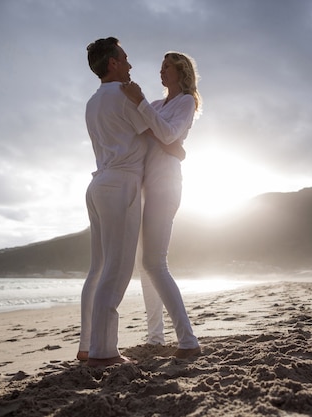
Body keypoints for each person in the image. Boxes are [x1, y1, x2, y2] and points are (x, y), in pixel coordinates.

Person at [120, 52, 202, 359]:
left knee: (156, 263)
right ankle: (155, 337)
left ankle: (188, 340)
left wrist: (166, 140)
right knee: (146, 266)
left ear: (180, 71)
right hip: (143, 186)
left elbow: (167, 133)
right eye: (160, 66)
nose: (160, 71)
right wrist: (167, 141)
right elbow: (142, 136)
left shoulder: (186, 102)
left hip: (166, 186)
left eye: (166, 66)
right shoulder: (156, 106)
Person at [77, 37, 150, 367]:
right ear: (112, 64)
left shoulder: (92, 102)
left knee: (97, 269)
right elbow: (153, 133)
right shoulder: (123, 95)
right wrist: (143, 101)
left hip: (97, 185)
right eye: (125, 59)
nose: (130, 65)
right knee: (117, 269)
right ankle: (104, 352)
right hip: (121, 183)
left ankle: (87, 345)